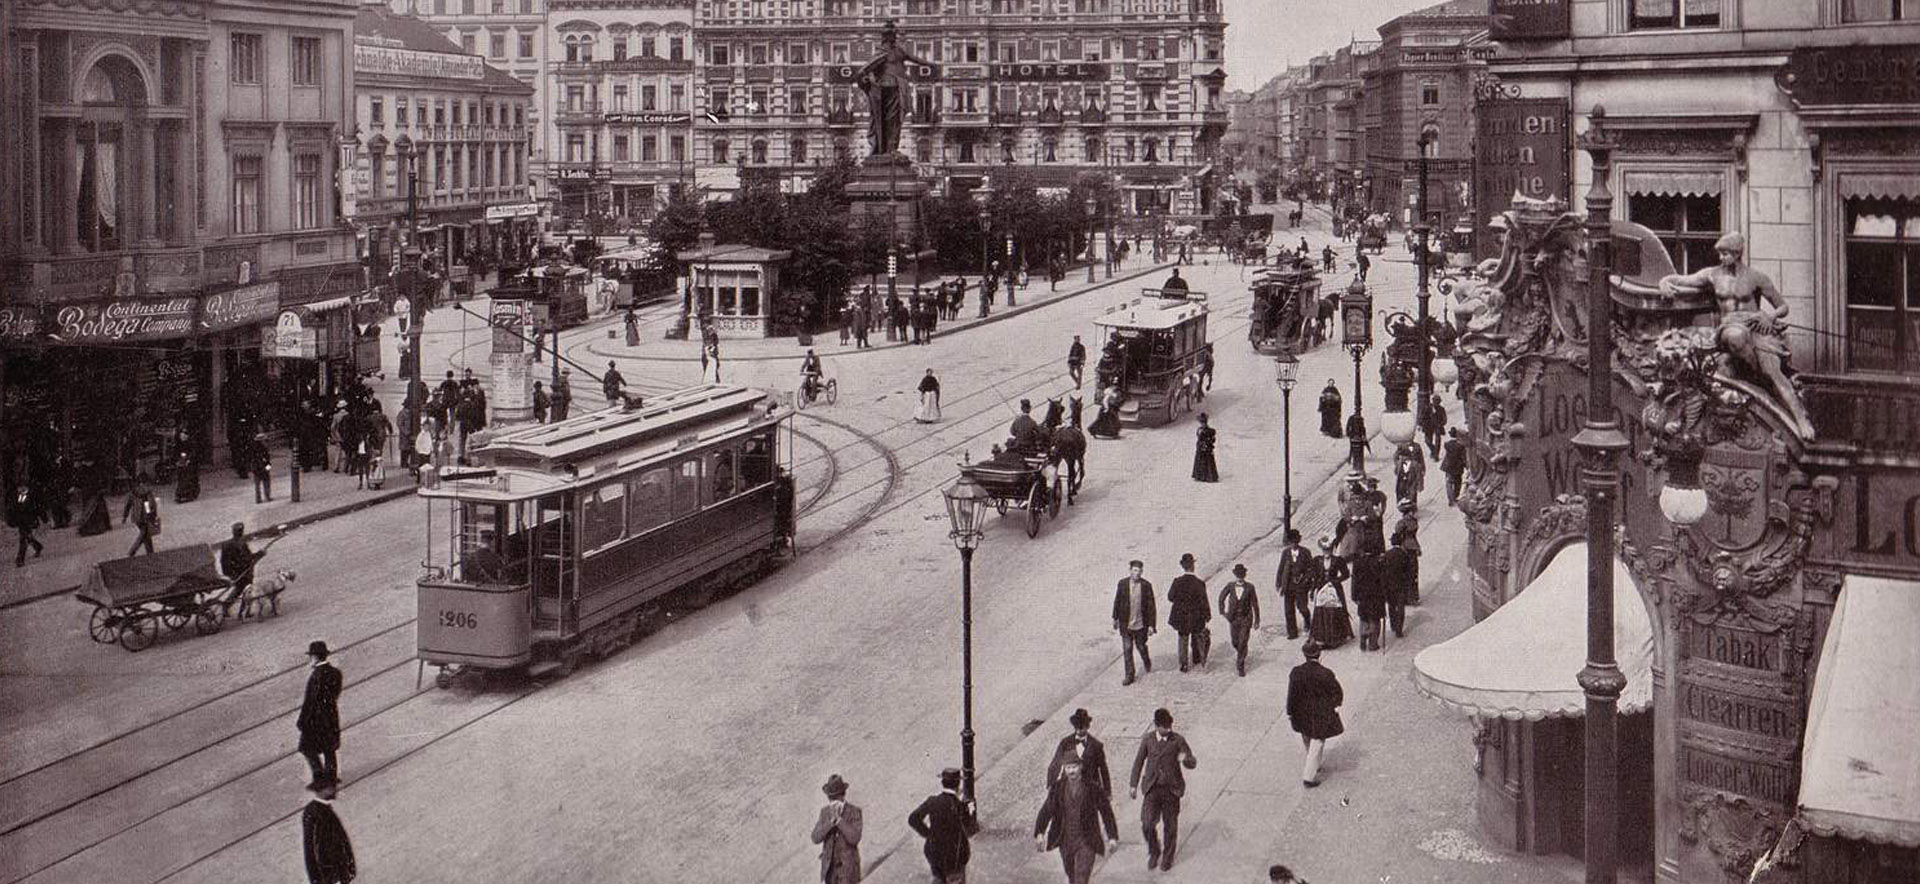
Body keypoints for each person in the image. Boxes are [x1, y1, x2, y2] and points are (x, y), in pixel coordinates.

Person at [1659, 231, 1814, 437]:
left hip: (1755, 327)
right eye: (1720, 253)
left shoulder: (1756, 278)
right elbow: (1683, 280)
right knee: (1734, 337)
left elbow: (1783, 306)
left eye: (1725, 254)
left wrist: (1769, 317)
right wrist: (1664, 282)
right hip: (1729, 328)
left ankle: (1801, 421)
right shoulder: (1713, 275)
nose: (1721, 258)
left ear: (1737, 253)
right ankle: (1756, 374)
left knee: (1773, 371)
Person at [1128, 708, 1197, 871]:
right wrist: (1133, 784)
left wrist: (1185, 759)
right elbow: (1138, 762)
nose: (1168, 730)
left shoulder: (1178, 740)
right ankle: (1154, 851)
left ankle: (1167, 857)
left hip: (1171, 790)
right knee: (1146, 824)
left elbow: (1192, 762)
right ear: (1156, 726)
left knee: (1170, 826)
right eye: (1164, 727)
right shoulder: (1148, 740)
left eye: (1170, 726)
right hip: (1152, 788)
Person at [1033, 757, 1119, 884]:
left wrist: (1112, 836)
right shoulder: (1058, 788)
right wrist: (1040, 832)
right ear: (1064, 769)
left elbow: (1106, 812)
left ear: (1080, 767)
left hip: (1087, 840)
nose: (1071, 771)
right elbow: (1047, 810)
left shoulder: (1092, 787)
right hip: (1065, 841)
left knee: (1081, 877)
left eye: (1074, 767)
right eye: (1068, 767)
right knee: (1072, 876)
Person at [906, 767, 979, 884]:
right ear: (958, 784)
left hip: (934, 852)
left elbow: (913, 819)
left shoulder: (932, 801)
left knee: (938, 878)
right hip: (955, 854)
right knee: (956, 880)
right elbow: (969, 829)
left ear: (942, 783)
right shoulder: (959, 805)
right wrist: (970, 812)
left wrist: (929, 834)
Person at [1287, 642, 1345, 787]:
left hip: (1301, 712)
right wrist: (1335, 705)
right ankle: (1309, 775)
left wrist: (1290, 711)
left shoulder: (1296, 672)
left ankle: (1313, 762)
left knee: (1306, 736)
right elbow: (1337, 692)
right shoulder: (1326, 673)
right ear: (1319, 654)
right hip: (1320, 712)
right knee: (1318, 740)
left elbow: (1292, 694)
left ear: (1304, 655)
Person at [298, 640, 343, 784]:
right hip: (330, 715)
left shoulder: (315, 677)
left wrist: (302, 721)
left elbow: (310, 702)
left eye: (311, 657)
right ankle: (331, 776)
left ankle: (318, 776)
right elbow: (335, 693)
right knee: (329, 748)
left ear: (315, 657)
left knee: (306, 748)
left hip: (315, 719)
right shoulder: (336, 673)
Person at [301, 777, 357, 884]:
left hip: (338, 874)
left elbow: (342, 841)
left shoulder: (325, 809)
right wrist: (317, 880)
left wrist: (350, 869)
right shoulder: (313, 812)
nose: (335, 790)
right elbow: (310, 849)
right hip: (329, 876)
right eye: (331, 787)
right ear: (321, 790)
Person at [811, 774, 863, 884]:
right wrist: (830, 823)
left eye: (836, 797)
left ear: (843, 795)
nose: (833, 801)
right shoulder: (825, 813)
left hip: (849, 872)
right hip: (830, 872)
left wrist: (839, 821)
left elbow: (854, 838)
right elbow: (815, 837)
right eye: (831, 797)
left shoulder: (854, 811)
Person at [1111, 560, 1156, 686]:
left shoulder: (1146, 585)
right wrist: (1115, 618)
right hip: (1126, 624)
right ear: (1130, 570)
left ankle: (1146, 660)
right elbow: (1117, 601)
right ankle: (1129, 675)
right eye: (1135, 570)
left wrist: (1152, 625)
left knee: (1141, 646)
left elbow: (1151, 606)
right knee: (1127, 648)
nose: (1137, 573)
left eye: (1139, 571)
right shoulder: (1122, 584)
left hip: (1141, 624)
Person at [1047, 708, 1111, 797]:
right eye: (1076, 727)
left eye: (1082, 727)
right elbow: (1055, 763)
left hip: (1090, 790)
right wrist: (1051, 784)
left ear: (1087, 726)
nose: (1079, 730)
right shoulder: (1065, 743)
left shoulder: (1096, 746)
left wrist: (1107, 792)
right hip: (1068, 789)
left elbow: (1103, 769)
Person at [1167, 553, 1211, 672]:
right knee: (1197, 637)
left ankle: (1184, 664)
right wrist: (1207, 615)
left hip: (1181, 616)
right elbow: (1204, 601)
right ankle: (1198, 659)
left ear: (1183, 567)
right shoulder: (1199, 583)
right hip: (1196, 616)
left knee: (1183, 639)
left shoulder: (1177, 582)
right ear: (1193, 566)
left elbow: (1170, 597)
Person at [1274, 529, 1320, 640]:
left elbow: (1311, 569)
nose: (1294, 544)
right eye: (1291, 542)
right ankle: (1292, 632)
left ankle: (1307, 622)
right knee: (1288, 609)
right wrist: (1279, 583)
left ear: (1298, 541)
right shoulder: (1285, 553)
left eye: (1296, 541)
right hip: (1288, 585)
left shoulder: (1305, 552)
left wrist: (1305, 579)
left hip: (1301, 586)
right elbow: (1281, 568)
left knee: (1302, 607)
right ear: (1289, 542)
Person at [1308, 537, 1353, 649]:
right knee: (1321, 611)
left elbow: (1346, 574)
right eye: (1324, 550)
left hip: (1334, 588)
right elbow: (1314, 577)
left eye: (1328, 549)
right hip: (1321, 588)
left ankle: (1336, 637)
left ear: (1332, 549)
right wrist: (1312, 590)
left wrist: (1336, 581)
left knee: (1335, 610)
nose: (1326, 552)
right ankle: (1321, 638)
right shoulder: (1317, 561)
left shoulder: (1338, 560)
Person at [1218, 563, 1262, 676]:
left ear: (1244, 575)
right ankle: (1242, 652)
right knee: (1235, 641)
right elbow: (1221, 597)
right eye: (1238, 574)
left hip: (1245, 618)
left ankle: (1240, 665)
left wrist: (1257, 620)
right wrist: (1222, 611)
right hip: (1233, 618)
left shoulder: (1250, 587)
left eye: (1242, 574)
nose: (1240, 576)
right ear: (1235, 575)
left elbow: (1255, 604)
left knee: (1242, 641)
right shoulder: (1230, 586)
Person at [1381, 531, 1417, 640]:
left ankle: (1393, 624)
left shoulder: (1387, 554)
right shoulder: (1404, 554)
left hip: (1389, 585)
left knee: (1391, 606)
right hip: (1401, 585)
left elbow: (1382, 571)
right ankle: (1399, 629)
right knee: (1401, 607)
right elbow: (1409, 570)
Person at [1350, 544, 1385, 652]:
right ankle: (1373, 643)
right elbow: (1383, 580)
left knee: (1363, 617)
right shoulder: (1378, 563)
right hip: (1376, 595)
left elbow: (1354, 580)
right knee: (1375, 618)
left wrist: (1354, 595)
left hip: (1362, 595)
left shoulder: (1357, 562)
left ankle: (1363, 636)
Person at [1390, 500, 1422, 605]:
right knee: (1412, 573)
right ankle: (1412, 597)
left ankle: (1406, 597)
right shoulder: (1411, 522)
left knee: (1406, 573)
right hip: (1410, 549)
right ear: (1410, 512)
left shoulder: (1401, 523)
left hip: (1405, 548)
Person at [122, 481, 162, 557]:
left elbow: (127, 505)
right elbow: (152, 504)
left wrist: (125, 516)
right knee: (144, 534)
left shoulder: (132, 493)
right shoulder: (148, 492)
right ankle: (132, 551)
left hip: (137, 517)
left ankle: (150, 552)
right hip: (146, 516)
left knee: (146, 534)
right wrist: (154, 514)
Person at [219, 522, 257, 595]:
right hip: (240, 573)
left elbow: (248, 556)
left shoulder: (240, 543)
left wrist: (258, 554)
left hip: (241, 572)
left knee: (243, 591)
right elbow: (246, 558)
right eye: (239, 531)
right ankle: (227, 605)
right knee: (243, 590)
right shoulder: (233, 544)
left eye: (240, 531)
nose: (241, 532)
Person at [9, 486, 43, 567]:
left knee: (23, 539)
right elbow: (15, 509)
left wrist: (38, 518)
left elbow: (36, 509)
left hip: (28, 521)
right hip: (22, 521)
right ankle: (38, 546)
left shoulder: (30, 498)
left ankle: (20, 559)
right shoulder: (17, 498)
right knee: (27, 537)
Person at [1394, 440, 1426, 510]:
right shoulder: (1399, 463)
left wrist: (1420, 486)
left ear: (1407, 457)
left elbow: (1419, 476)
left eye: (1403, 457)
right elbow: (1395, 459)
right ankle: (1404, 509)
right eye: (1401, 457)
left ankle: (1413, 509)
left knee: (1412, 496)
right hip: (1402, 483)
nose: (1401, 458)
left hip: (1412, 483)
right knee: (1402, 497)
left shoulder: (1415, 464)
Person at [1440, 427, 1467, 505]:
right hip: (1458, 467)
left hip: (1448, 466)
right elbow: (1463, 457)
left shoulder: (1447, 444)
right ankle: (1455, 496)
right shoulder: (1461, 446)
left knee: (1449, 483)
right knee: (1458, 482)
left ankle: (1451, 499)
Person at [173, 431, 200, 503]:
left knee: (189, 478)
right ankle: (181, 494)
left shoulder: (191, 443)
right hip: (182, 462)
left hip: (190, 463)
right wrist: (177, 460)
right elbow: (176, 452)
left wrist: (189, 459)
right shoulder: (179, 444)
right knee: (182, 478)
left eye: (183, 436)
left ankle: (190, 494)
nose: (182, 438)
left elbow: (193, 452)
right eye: (181, 436)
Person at [1191, 412, 1219, 482]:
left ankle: (1208, 476)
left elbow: (1212, 439)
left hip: (1206, 449)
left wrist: (1207, 443)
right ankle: (1200, 475)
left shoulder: (1210, 431)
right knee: (1200, 461)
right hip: (1200, 448)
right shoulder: (1200, 430)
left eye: (1203, 422)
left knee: (1207, 461)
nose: (1202, 424)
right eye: (1201, 422)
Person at [1421, 392, 1447, 460]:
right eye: (1435, 401)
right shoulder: (1428, 408)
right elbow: (1423, 416)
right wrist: (1422, 424)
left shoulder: (1441, 409)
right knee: (1427, 441)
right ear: (1432, 401)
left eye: (1438, 401)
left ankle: (1436, 455)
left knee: (1438, 440)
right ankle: (1433, 450)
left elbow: (1444, 419)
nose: (1436, 402)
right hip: (1428, 426)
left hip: (1437, 427)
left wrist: (1440, 424)